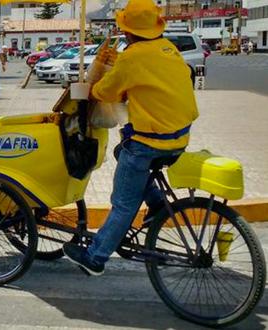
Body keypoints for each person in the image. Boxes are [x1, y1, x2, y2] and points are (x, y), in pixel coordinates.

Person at [62, 0, 199, 276]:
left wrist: (95, 86)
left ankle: (96, 257)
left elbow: (105, 92)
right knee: (120, 150)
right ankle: (158, 203)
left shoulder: (132, 56)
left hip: (150, 143)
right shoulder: (169, 49)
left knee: (123, 202)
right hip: (179, 139)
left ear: (129, 32)